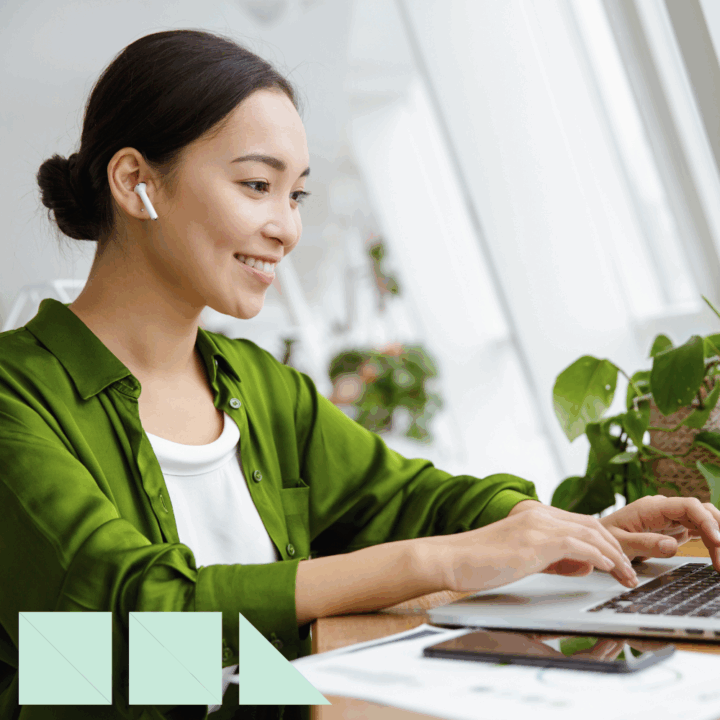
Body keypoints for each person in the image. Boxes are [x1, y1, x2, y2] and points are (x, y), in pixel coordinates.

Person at [2, 27, 720, 720]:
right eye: (256, 184)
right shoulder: (17, 396)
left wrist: (566, 532)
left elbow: (409, 498)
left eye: (296, 195)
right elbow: (124, 618)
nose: (287, 226)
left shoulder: (258, 385)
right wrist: (440, 563)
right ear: (135, 181)